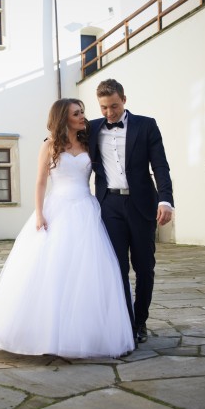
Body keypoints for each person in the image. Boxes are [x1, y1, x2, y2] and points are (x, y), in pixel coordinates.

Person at [0, 98, 135, 358]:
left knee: (88, 272)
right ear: (63, 118)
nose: (82, 116)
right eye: (76, 113)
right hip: (57, 209)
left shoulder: (88, 143)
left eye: (82, 112)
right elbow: (40, 182)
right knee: (53, 269)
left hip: (86, 210)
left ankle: (87, 333)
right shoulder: (49, 146)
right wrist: (39, 214)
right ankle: (46, 334)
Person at [88, 79, 174, 347]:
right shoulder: (92, 128)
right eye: (103, 108)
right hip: (109, 206)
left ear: (124, 100)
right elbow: (63, 137)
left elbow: (160, 165)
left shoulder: (146, 125)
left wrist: (166, 200)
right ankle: (126, 323)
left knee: (144, 267)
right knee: (118, 268)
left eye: (114, 106)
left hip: (141, 206)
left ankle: (141, 321)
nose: (109, 113)